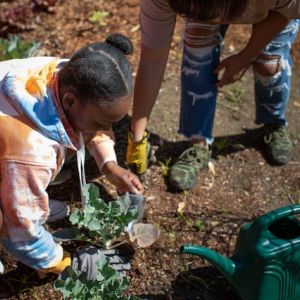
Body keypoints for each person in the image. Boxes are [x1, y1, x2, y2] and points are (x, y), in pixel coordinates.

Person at [0, 34, 143, 277]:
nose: (105, 128)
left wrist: (109, 166)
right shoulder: (31, 149)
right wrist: (66, 263)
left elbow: (92, 125)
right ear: (70, 101)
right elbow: (21, 230)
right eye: (100, 123)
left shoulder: (63, 73)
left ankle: (25, 197)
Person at [126, 0, 300, 190]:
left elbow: (284, 14)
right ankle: (198, 142)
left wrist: (246, 57)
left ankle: (274, 123)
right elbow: (153, 61)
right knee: (197, 51)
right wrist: (137, 137)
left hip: (274, 8)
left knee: (269, 62)